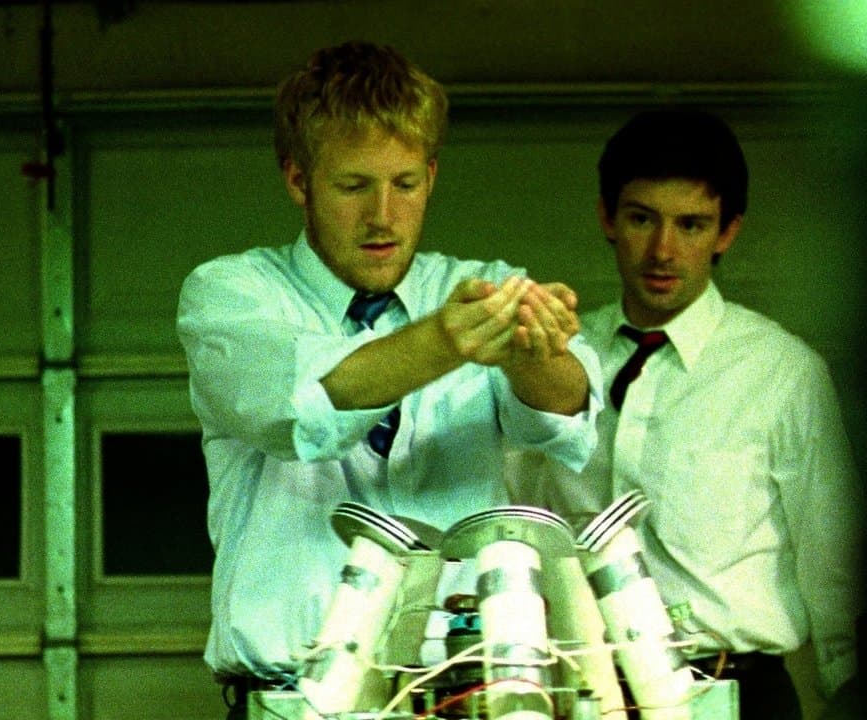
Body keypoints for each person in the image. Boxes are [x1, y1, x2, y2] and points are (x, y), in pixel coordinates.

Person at [175, 41, 602, 717]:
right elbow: (299, 409)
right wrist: (445, 339)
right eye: (354, 186)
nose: (382, 215)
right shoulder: (232, 295)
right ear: (298, 180)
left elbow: (570, 415)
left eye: (404, 184)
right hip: (292, 703)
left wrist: (534, 348)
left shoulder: (480, 286)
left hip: (463, 697)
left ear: (431, 175)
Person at [519, 109, 864, 719]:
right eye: (641, 218)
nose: (663, 250)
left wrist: (858, 689)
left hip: (736, 693)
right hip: (585, 693)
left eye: (691, 224)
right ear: (607, 218)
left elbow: (833, 558)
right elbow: (517, 520)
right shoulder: (557, 360)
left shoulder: (783, 372)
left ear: (727, 232)